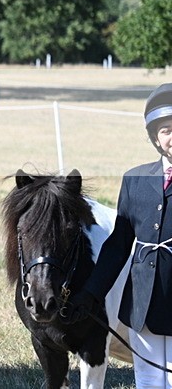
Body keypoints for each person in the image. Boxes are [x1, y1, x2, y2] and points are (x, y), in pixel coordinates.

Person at [66, 82, 172, 388]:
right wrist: (90, 294)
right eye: (165, 129)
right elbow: (118, 246)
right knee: (150, 381)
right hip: (144, 303)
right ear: (154, 136)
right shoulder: (135, 180)